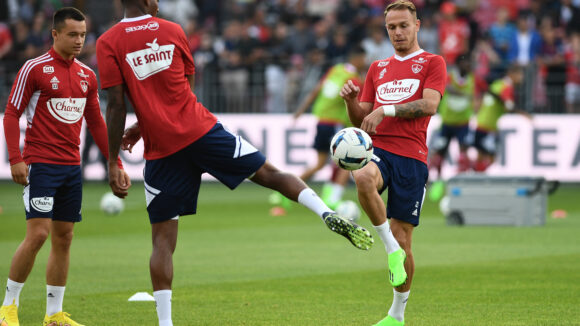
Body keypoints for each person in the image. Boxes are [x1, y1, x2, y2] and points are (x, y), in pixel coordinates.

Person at [95, 1, 373, 325]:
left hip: (163, 150)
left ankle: (166, 323)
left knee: (162, 241)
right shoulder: (172, 30)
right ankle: (325, 212)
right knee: (270, 173)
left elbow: (115, 105)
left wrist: (115, 158)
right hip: (201, 130)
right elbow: (184, 86)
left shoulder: (109, 41)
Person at [0, 7, 128, 326]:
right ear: (55, 34)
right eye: (72, 34)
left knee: (64, 237)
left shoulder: (87, 75)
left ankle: (54, 314)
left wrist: (116, 163)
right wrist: (15, 158)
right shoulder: (34, 69)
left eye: (82, 35)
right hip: (41, 165)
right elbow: (12, 113)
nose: (79, 41)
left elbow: (97, 123)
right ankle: (8, 306)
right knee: (38, 235)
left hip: (72, 168)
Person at [340, 1, 447, 325]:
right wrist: (351, 102)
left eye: (403, 25)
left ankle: (396, 316)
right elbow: (363, 122)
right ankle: (390, 250)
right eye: (391, 27)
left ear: (417, 25)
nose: (397, 32)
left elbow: (429, 105)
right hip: (380, 150)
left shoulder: (432, 62)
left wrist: (384, 110)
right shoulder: (378, 68)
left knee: (405, 239)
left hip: (412, 158)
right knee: (362, 178)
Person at [292, 45, 367, 210]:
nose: (365, 62)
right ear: (358, 59)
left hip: (321, 122)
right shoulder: (354, 79)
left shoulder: (336, 70)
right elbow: (358, 105)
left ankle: (285, 190)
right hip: (335, 123)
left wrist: (301, 110)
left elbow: (316, 90)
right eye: (364, 59)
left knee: (319, 164)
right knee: (347, 162)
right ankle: (333, 198)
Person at [428, 54, 477, 201]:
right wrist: (465, 95)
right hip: (447, 122)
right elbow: (447, 88)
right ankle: (437, 180)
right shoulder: (450, 76)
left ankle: (461, 182)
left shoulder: (472, 79)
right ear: (458, 65)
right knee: (439, 154)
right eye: (466, 63)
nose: (468, 66)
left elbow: (474, 96)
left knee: (463, 153)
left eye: (469, 63)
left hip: (463, 123)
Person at [472, 65, 527, 172]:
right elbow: (509, 106)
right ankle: (476, 174)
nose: (522, 78)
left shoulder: (498, 84)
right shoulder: (507, 87)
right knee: (491, 157)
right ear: (512, 74)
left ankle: (475, 175)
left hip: (481, 123)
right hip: (488, 126)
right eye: (520, 74)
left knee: (481, 155)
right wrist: (523, 114)